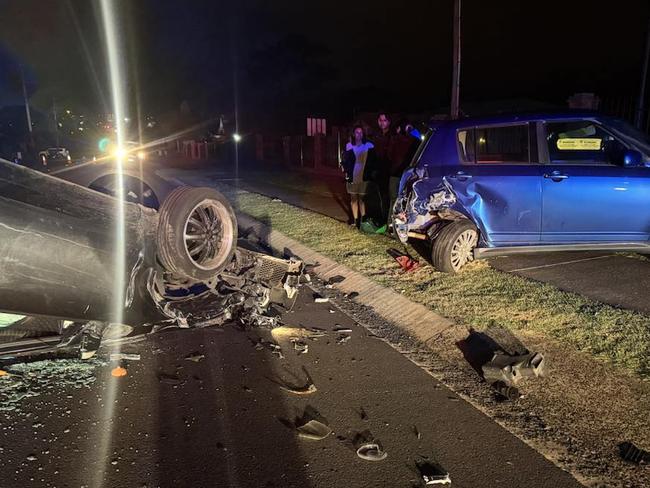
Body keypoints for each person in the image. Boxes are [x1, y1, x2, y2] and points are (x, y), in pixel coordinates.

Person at [341, 125, 375, 228]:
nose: (359, 134)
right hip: (353, 175)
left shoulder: (368, 145)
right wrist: (345, 170)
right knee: (354, 199)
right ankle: (355, 220)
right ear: (353, 134)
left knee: (362, 199)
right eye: (357, 132)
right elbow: (345, 161)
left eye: (361, 132)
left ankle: (363, 220)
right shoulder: (349, 146)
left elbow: (373, 159)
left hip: (363, 175)